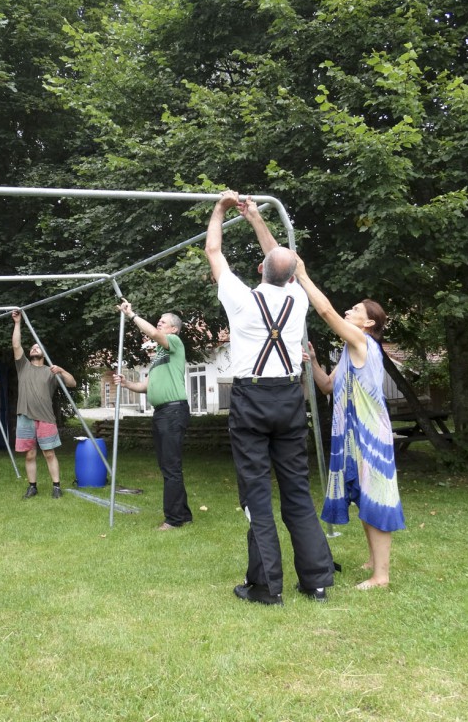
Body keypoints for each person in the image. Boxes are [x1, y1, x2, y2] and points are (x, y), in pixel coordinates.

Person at [205, 190, 335, 606]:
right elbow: (282, 259)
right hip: (288, 398)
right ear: (292, 275)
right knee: (296, 488)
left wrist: (221, 208)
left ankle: (266, 587)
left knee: (257, 494)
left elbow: (213, 249)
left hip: (252, 398)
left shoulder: (242, 299)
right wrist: (256, 218)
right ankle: (316, 582)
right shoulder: (297, 300)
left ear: (260, 270)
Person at [297, 266, 405, 589]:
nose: (351, 309)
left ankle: (381, 576)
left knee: (377, 497)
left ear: (368, 323)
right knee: (362, 495)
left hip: (371, 435)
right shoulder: (349, 350)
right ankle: (374, 560)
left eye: (357, 309)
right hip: (353, 435)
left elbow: (325, 310)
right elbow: (329, 386)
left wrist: (302, 275)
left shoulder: (363, 342)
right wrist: (313, 362)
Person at [113, 299, 192, 530]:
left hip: (173, 411)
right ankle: (183, 514)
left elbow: (153, 334)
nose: (159, 323)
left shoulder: (174, 342)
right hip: (162, 413)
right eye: (159, 320)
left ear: (174, 329)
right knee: (168, 466)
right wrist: (127, 383)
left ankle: (173, 520)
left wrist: (131, 315)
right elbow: (146, 385)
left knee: (171, 467)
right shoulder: (158, 355)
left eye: (163, 322)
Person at [11, 309, 77, 499]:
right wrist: (17, 323)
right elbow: (16, 345)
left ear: (43, 352)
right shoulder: (23, 366)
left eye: (36, 347)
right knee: (30, 454)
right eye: (31, 347)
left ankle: (56, 486)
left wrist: (62, 371)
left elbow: (72, 383)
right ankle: (32, 486)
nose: (33, 349)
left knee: (49, 453)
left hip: (46, 418)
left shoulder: (51, 371)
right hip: (25, 417)